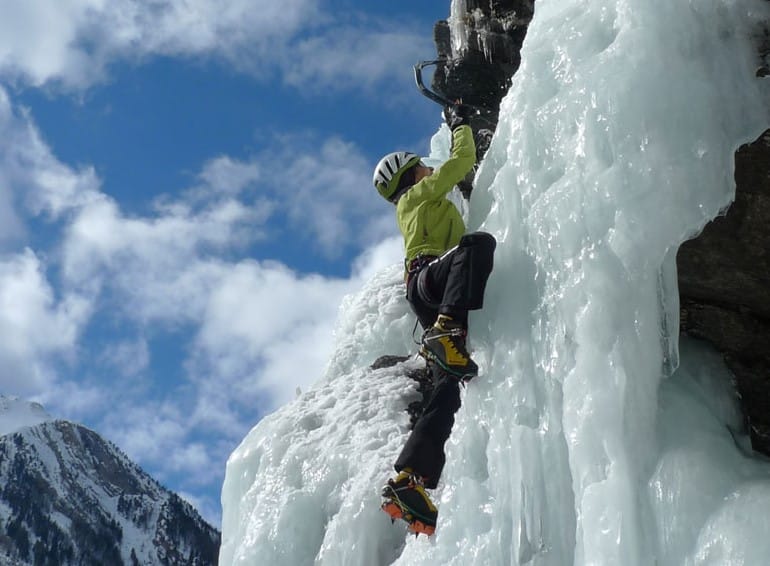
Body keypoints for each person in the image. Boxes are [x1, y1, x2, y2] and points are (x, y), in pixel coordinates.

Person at [372, 103, 496, 535]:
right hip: (430, 281)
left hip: (427, 290)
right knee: (476, 245)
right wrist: (462, 125)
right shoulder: (416, 195)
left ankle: (410, 480)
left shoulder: (418, 204)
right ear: (411, 174)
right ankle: (447, 329)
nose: (429, 169)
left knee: (449, 385)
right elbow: (460, 162)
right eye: (422, 166)